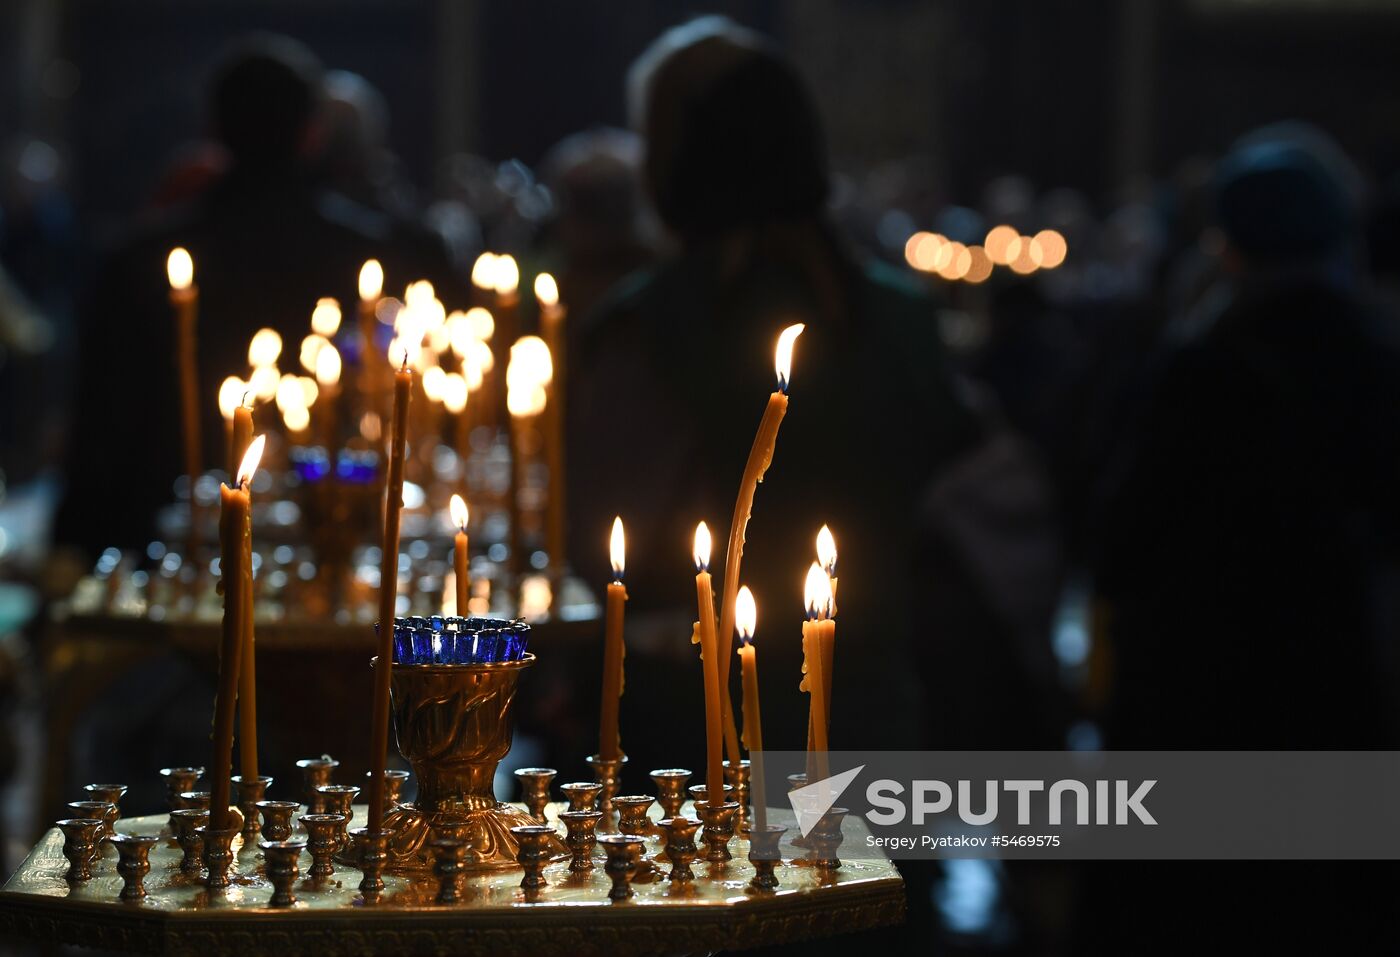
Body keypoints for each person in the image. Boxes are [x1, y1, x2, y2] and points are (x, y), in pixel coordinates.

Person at [570, 17, 1062, 762]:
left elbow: (597, 541)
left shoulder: (650, 326)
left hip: (696, 735)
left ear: (674, 161)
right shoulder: (900, 316)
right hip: (873, 718)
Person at [57, 36, 452, 553]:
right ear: (312, 133)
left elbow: (101, 433)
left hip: (166, 545)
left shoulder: (137, 262)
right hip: (340, 542)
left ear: (213, 131)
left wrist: (68, 552)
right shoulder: (374, 257)